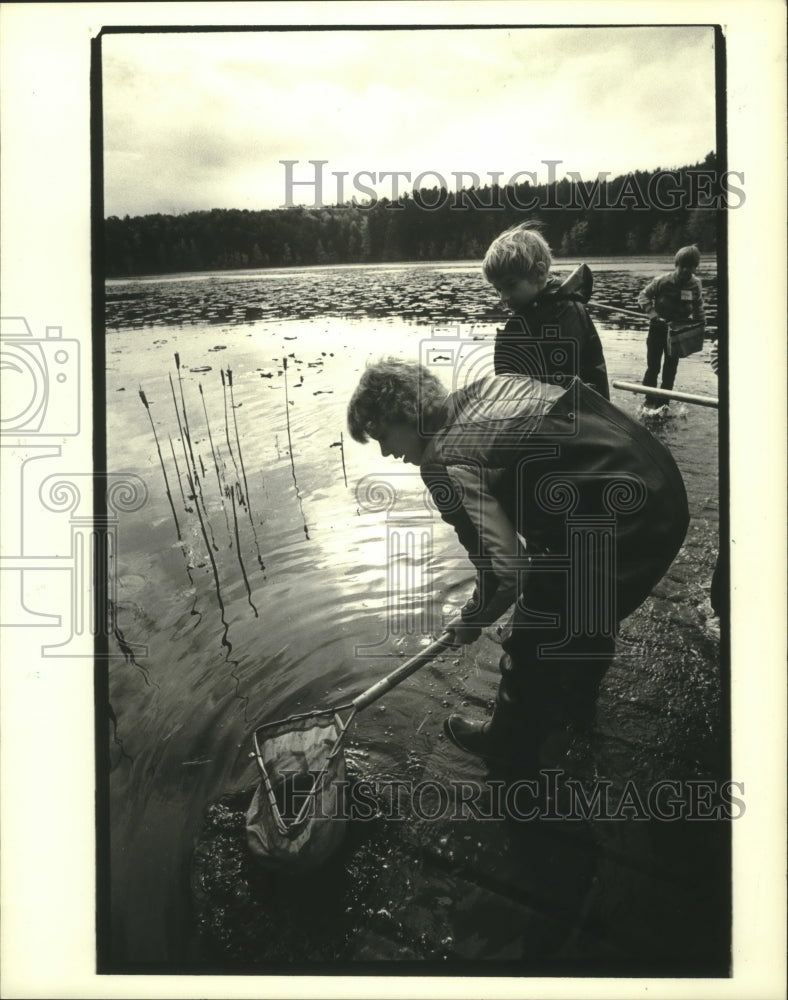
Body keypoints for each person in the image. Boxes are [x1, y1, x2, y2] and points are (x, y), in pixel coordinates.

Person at [347, 359, 690, 770]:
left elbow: (504, 570)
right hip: (661, 486)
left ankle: (507, 742)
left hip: (624, 521)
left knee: (532, 629)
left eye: (383, 436)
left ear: (403, 414)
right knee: (580, 605)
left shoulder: (442, 460)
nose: (387, 452)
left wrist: (473, 618)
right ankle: (574, 707)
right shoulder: (488, 391)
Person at [483, 222, 610, 399]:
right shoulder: (545, 311)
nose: (503, 298)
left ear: (539, 273)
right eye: (498, 289)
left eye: (510, 286)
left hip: (575, 417)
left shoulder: (561, 315)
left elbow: (557, 384)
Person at [638, 245, 706, 409]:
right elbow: (643, 296)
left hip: (677, 334)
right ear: (676, 265)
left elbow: (698, 307)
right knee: (653, 367)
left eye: (690, 267)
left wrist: (700, 325)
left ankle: (663, 403)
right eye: (682, 266)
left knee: (670, 369)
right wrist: (653, 315)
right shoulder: (662, 281)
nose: (685, 270)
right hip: (657, 329)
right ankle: (649, 399)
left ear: (695, 267)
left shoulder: (695, 285)